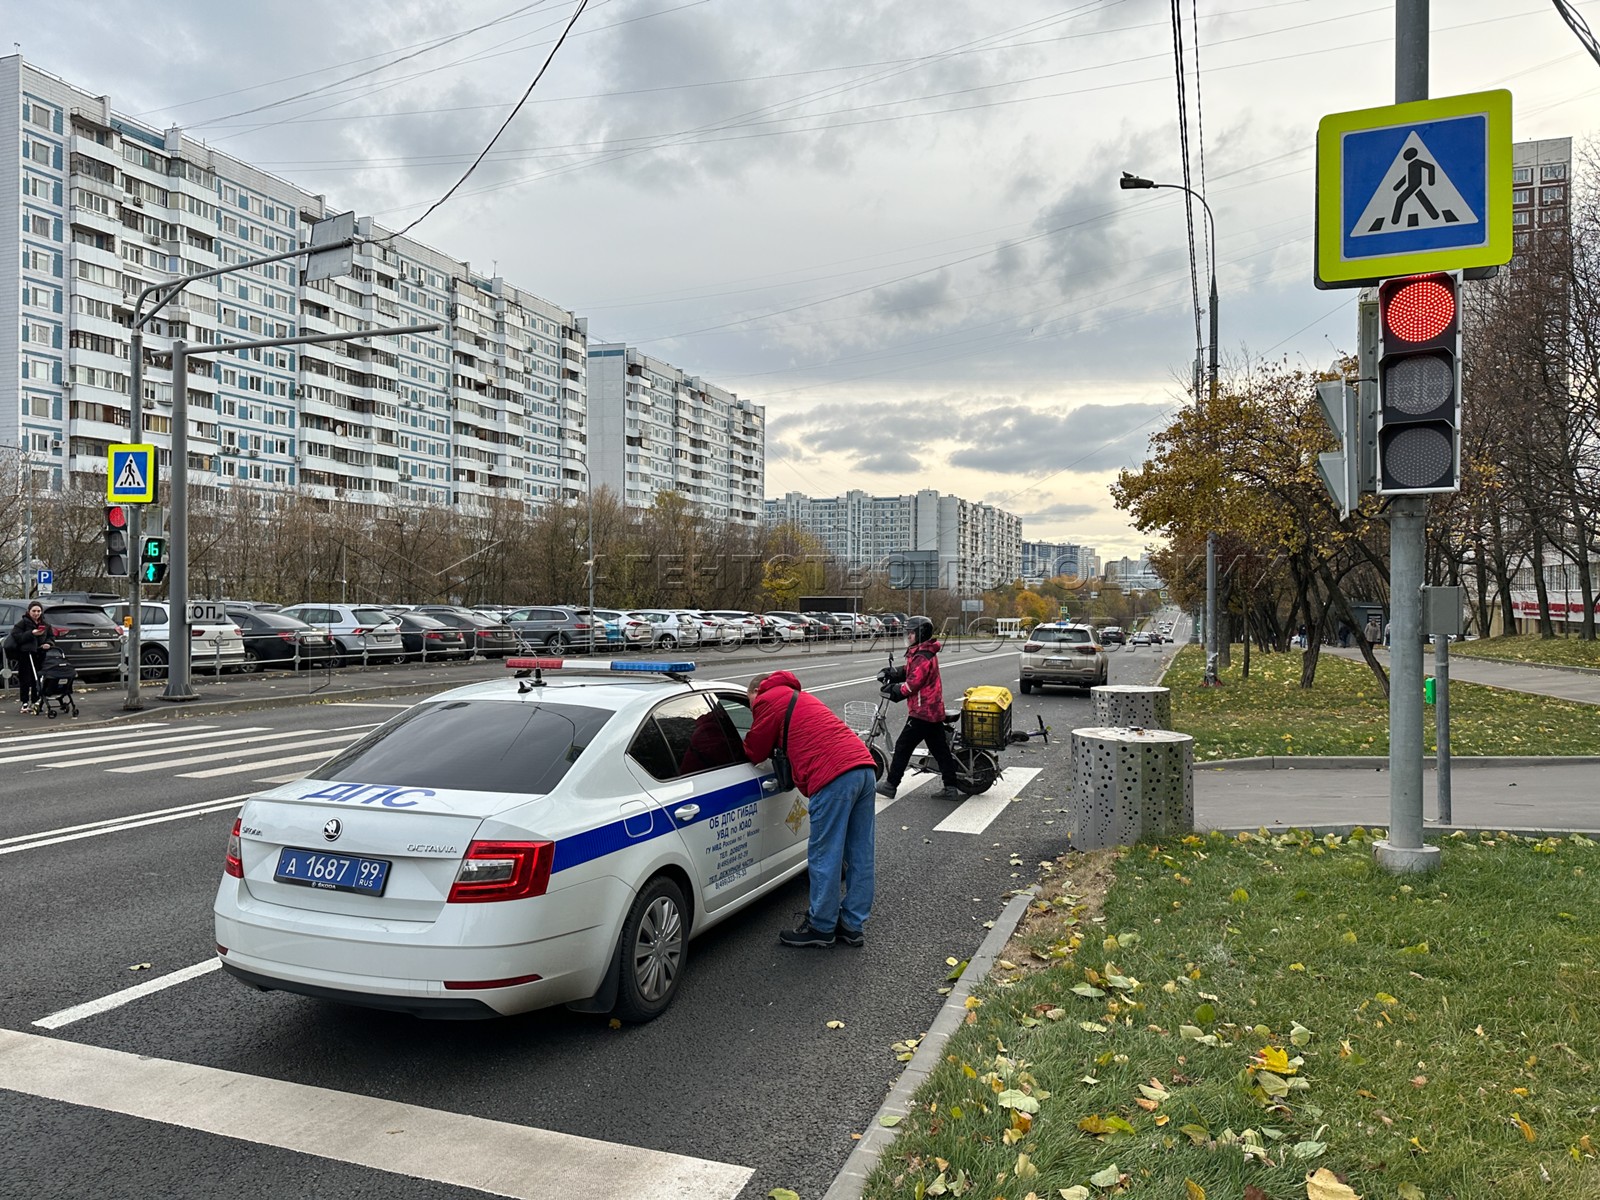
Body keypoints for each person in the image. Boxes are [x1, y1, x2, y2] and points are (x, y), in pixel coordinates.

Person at [743, 670, 878, 949]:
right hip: (863, 768)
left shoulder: (768, 700)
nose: (752, 707)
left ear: (757, 691)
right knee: (860, 852)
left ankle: (821, 926)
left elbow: (754, 750)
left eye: (749, 701)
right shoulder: (797, 695)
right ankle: (852, 926)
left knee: (824, 854)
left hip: (833, 777)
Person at [875, 616, 963, 803]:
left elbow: (913, 683)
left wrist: (895, 691)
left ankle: (890, 785)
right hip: (931, 710)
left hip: (923, 712)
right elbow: (911, 671)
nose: (909, 635)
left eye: (912, 632)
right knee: (940, 750)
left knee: (903, 747)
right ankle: (951, 788)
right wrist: (894, 673)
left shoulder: (923, 656)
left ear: (921, 633)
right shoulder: (921, 652)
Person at [9, 601, 53, 715]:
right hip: (26, 654)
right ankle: (24, 702)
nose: (36, 613)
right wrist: (32, 633)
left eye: (38, 611)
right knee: (25, 678)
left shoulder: (46, 624)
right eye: (34, 611)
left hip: (40, 653)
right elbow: (17, 637)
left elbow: (51, 637)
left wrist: (49, 643)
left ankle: (35, 701)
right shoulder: (22, 623)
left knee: (37, 678)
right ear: (29, 611)